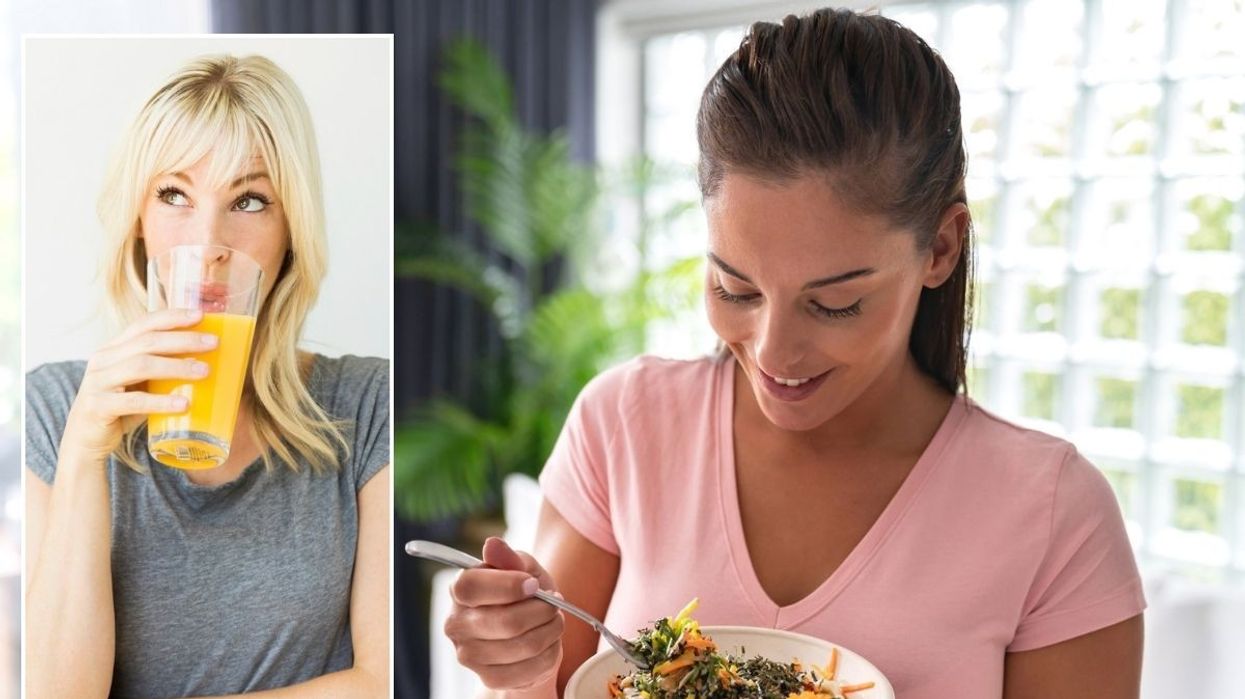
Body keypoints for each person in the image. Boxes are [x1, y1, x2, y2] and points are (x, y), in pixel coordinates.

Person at [444, 8, 1146, 698]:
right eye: (735, 287)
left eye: (834, 302)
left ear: (939, 247)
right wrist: (521, 663)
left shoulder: (1054, 513)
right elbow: (558, 684)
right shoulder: (623, 423)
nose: (773, 352)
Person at [25, 54, 389, 699]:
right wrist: (83, 452)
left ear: (291, 233)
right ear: (138, 222)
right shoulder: (55, 406)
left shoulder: (368, 405)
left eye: (249, 200)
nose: (209, 242)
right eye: (174, 195)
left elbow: (382, 679)